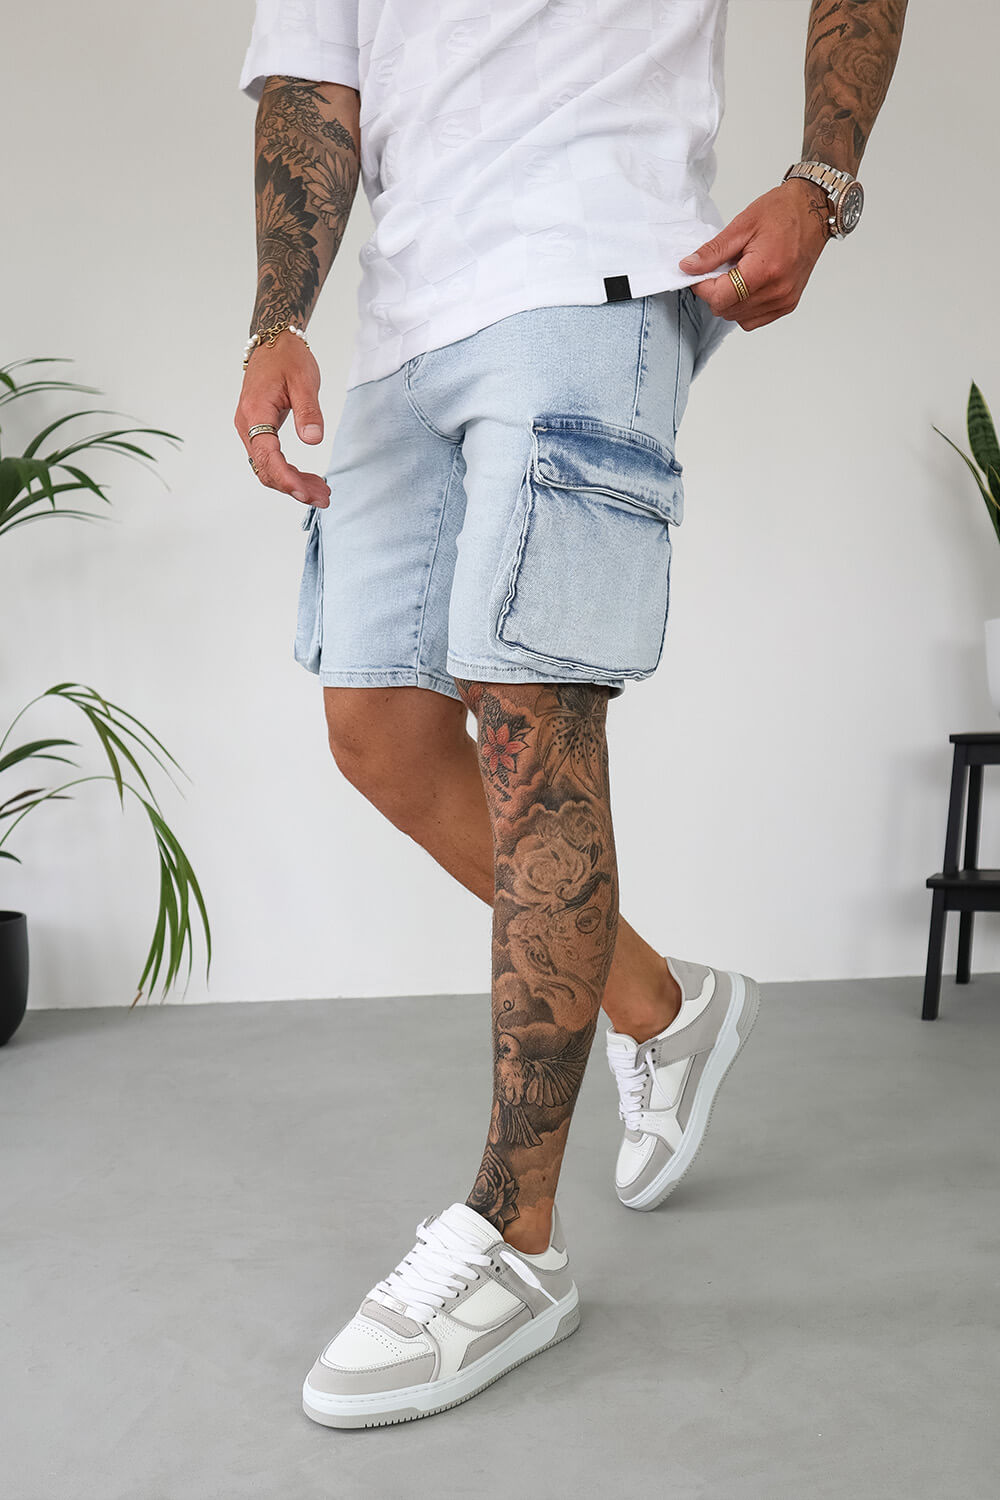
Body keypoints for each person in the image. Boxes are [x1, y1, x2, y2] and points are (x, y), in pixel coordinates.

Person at [236, 0, 908, 1430]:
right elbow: (312, 85)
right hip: (403, 323)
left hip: (586, 275)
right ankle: (663, 1008)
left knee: (530, 722)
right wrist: (277, 317)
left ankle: (515, 1239)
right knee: (376, 732)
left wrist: (824, 179)